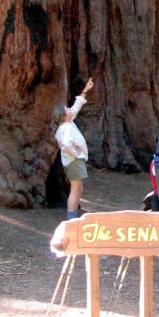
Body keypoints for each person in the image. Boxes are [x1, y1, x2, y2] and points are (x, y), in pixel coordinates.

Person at [53, 77, 94, 220]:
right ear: (64, 116)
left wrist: (85, 91)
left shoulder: (68, 123)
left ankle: (73, 217)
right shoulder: (65, 128)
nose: (70, 109)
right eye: (67, 109)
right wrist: (76, 153)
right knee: (76, 190)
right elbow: (66, 145)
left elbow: (76, 106)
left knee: (79, 189)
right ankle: (71, 219)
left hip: (74, 161)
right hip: (74, 161)